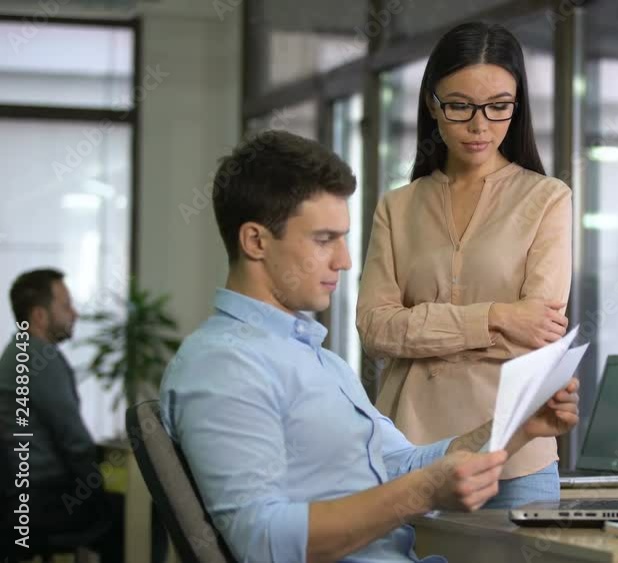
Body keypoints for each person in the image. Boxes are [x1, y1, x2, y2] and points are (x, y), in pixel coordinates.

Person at [160, 130, 579, 562]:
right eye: (324, 239)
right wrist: (418, 494)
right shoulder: (224, 365)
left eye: (343, 239)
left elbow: (405, 466)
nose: (343, 260)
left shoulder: (321, 362)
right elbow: (261, 542)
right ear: (256, 241)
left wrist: (517, 426)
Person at [357, 21, 572, 509]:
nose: (480, 126)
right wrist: (496, 317)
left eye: (499, 107)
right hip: (407, 453)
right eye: (460, 106)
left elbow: (538, 331)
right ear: (432, 103)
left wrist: (421, 330)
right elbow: (374, 329)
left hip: (515, 456)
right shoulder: (398, 207)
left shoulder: (546, 199)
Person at [0, 268, 123, 562]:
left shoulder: (13, 355)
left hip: (18, 502)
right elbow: (74, 442)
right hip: (44, 502)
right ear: (40, 316)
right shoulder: (41, 360)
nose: (75, 314)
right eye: (66, 305)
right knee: (139, 514)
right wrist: (95, 486)